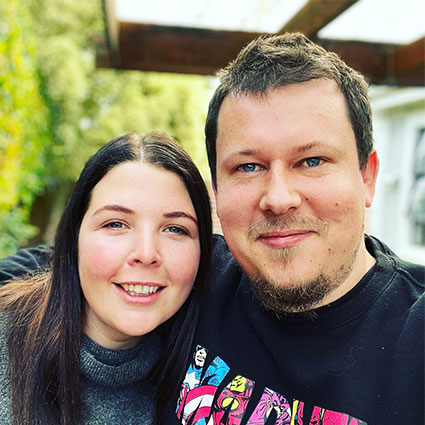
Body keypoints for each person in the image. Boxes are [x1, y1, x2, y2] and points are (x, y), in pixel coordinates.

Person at [1, 33, 424, 425]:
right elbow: (65, 263)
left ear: (367, 176)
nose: (278, 198)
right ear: (217, 190)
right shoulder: (196, 273)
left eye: (312, 161)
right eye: (248, 167)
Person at [0, 132, 213, 425]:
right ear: (74, 238)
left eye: (175, 229)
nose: (146, 253)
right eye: (115, 224)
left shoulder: (209, 386)